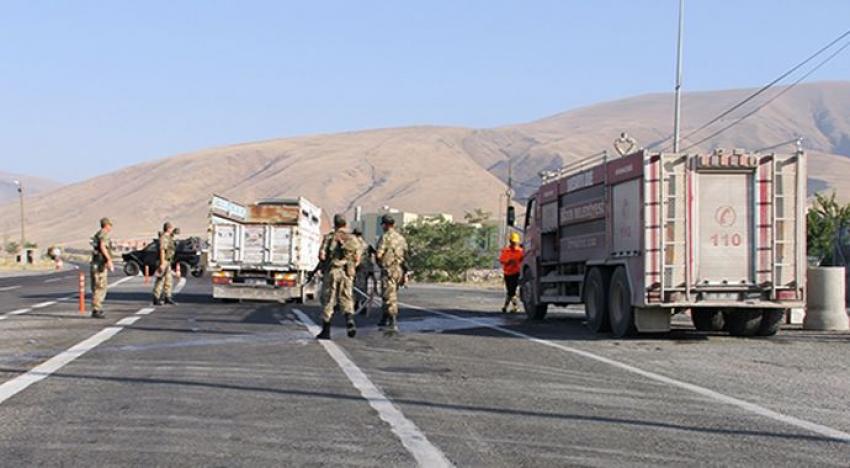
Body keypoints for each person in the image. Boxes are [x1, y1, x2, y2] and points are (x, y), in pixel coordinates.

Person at [316, 214, 361, 340]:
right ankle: (350, 321)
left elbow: (322, 256)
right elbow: (357, 259)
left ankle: (326, 331)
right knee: (346, 298)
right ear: (345, 224)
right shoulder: (353, 238)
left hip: (333, 272)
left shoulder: (330, 237)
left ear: (335, 224)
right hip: (347, 273)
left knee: (328, 300)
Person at [375, 214, 408, 332]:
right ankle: (385, 317)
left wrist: (378, 261)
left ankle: (393, 320)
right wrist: (404, 272)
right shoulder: (401, 238)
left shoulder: (385, 237)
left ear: (385, 225)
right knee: (388, 294)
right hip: (398, 270)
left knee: (389, 296)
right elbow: (405, 255)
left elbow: (379, 254)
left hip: (388, 269)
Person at [89, 217, 114, 318]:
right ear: (107, 225)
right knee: (100, 287)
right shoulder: (104, 234)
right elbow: (103, 246)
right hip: (99, 264)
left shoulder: (98, 233)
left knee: (97, 286)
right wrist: (109, 259)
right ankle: (96, 309)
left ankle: (96, 308)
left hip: (96, 263)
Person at [152, 222, 178, 306]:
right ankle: (156, 297)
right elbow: (162, 250)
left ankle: (167, 297)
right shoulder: (164, 238)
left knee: (168, 280)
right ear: (168, 228)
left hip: (168, 261)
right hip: (163, 261)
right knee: (161, 280)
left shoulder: (169, 237)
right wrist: (162, 263)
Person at [499, 232, 524, 313]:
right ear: (510, 242)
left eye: (515, 242)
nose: (514, 244)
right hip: (507, 273)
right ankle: (509, 307)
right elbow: (501, 260)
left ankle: (510, 307)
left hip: (516, 273)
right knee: (510, 291)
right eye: (513, 242)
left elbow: (523, 260)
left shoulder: (520, 252)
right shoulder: (506, 251)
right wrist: (508, 261)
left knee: (511, 291)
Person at [352, 227, 373, 314]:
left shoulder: (355, 244)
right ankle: (362, 305)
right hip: (367, 268)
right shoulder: (366, 244)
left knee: (357, 287)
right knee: (364, 287)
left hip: (358, 267)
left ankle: (358, 305)